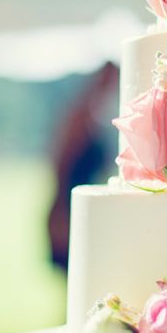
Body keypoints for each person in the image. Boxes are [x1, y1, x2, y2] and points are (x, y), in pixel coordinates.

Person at [47, 62, 118, 270]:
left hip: (80, 212)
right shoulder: (77, 119)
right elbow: (60, 170)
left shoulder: (93, 118)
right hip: (67, 213)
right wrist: (63, 215)